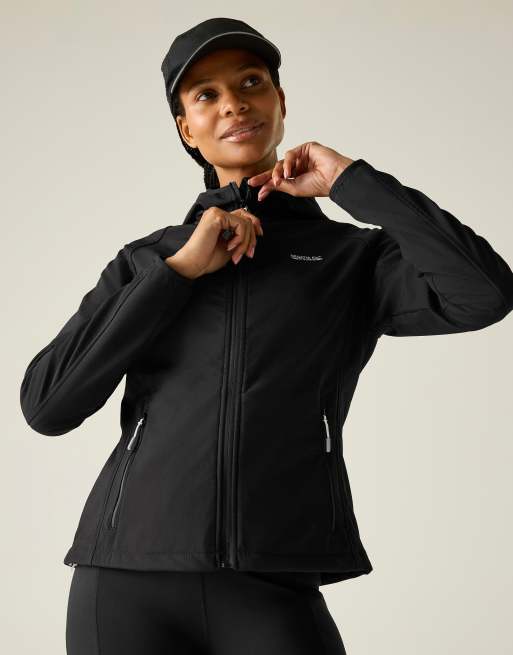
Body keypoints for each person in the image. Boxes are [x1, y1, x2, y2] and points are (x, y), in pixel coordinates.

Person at [19, 17, 513, 655]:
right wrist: (177, 274)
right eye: (206, 94)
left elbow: (484, 293)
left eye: (251, 83)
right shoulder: (149, 260)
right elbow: (47, 405)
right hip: (122, 579)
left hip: (273, 577)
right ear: (186, 129)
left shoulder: (350, 259)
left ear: (280, 101)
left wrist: (352, 182)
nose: (233, 103)